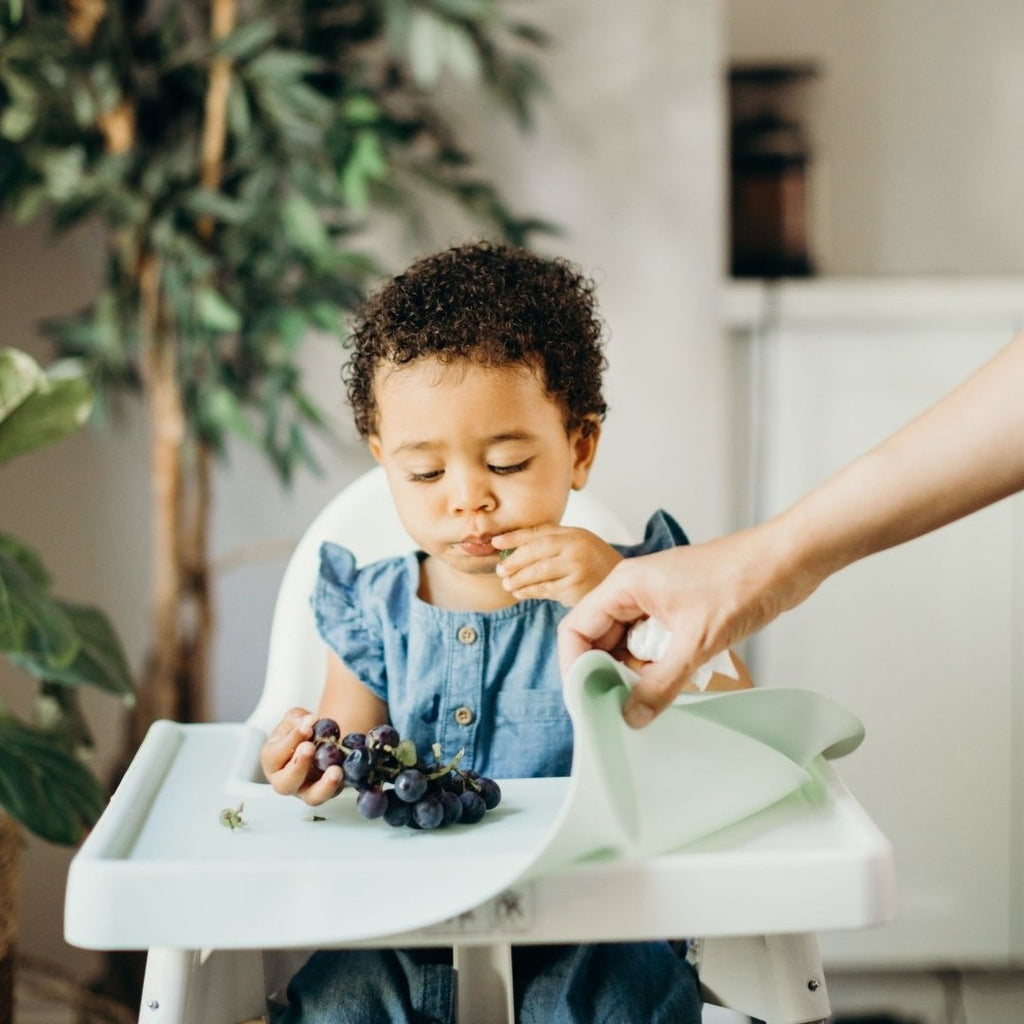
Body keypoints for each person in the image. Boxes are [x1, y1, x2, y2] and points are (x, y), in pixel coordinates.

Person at [259, 241, 747, 1024]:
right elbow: (345, 760)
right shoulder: (373, 609)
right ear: (384, 461)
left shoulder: (640, 589)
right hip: (406, 923)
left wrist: (628, 599)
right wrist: (307, 764)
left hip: (595, 919)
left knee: (622, 1004)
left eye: (509, 462)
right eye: (425, 474)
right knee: (338, 1003)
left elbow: (742, 730)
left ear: (578, 448)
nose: (468, 500)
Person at [559, 329, 1024, 730]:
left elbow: (741, 714)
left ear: (580, 452)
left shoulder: (626, 581)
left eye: (507, 464)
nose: (481, 502)